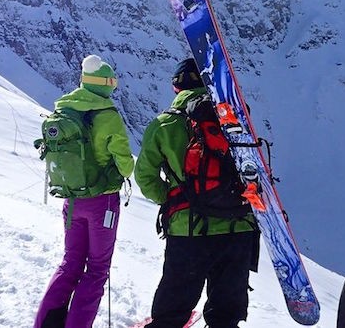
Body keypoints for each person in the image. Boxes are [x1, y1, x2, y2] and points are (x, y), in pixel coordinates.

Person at [134, 59, 258, 328]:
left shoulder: (165, 124)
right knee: (225, 316)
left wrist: (172, 198)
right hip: (239, 227)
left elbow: (145, 176)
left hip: (189, 230)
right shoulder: (236, 119)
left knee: (172, 311)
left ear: (177, 88)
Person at [34, 55, 135, 328]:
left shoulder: (65, 109)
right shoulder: (107, 114)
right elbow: (125, 163)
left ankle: (45, 324)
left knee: (70, 264)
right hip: (102, 203)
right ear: (105, 84)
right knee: (97, 269)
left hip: (72, 199)